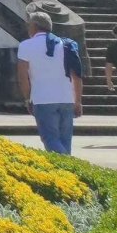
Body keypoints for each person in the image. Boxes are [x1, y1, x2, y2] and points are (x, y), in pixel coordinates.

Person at [17, 11, 83, 154]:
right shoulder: (65, 44)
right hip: (66, 99)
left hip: (43, 99)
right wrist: (77, 101)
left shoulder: (26, 45)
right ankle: (68, 167)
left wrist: (28, 99)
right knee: (65, 141)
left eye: (29, 25)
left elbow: (22, 76)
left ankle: (69, 165)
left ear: (34, 26)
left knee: (51, 140)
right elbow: (76, 76)